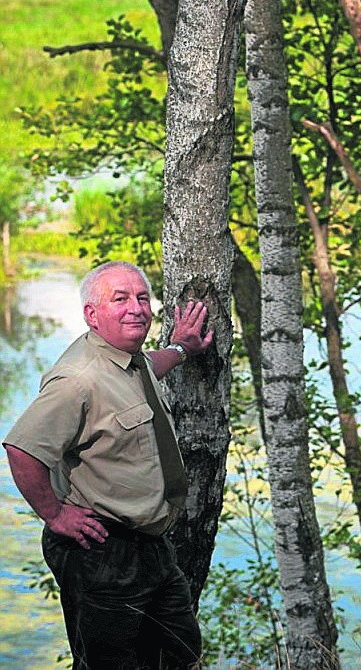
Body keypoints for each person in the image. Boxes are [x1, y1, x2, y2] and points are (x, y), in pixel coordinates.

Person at [3, 261, 213, 669]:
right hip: (101, 552)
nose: (136, 308)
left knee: (180, 652)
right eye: (120, 299)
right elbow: (21, 449)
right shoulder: (78, 379)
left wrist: (182, 348)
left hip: (149, 547)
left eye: (142, 298)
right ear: (91, 315)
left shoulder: (127, 359)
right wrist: (56, 514)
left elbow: (150, 366)